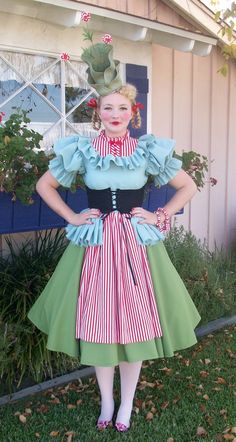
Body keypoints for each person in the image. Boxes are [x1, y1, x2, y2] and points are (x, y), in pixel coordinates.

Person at [28, 42, 200, 433]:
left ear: (132, 113)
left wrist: (160, 215)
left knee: (135, 326)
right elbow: (45, 185)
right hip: (96, 246)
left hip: (138, 248)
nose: (116, 114)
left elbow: (187, 186)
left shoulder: (146, 150)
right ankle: (107, 403)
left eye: (123, 108)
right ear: (98, 114)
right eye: (108, 107)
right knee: (100, 325)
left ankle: (127, 404)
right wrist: (73, 215)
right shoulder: (84, 150)